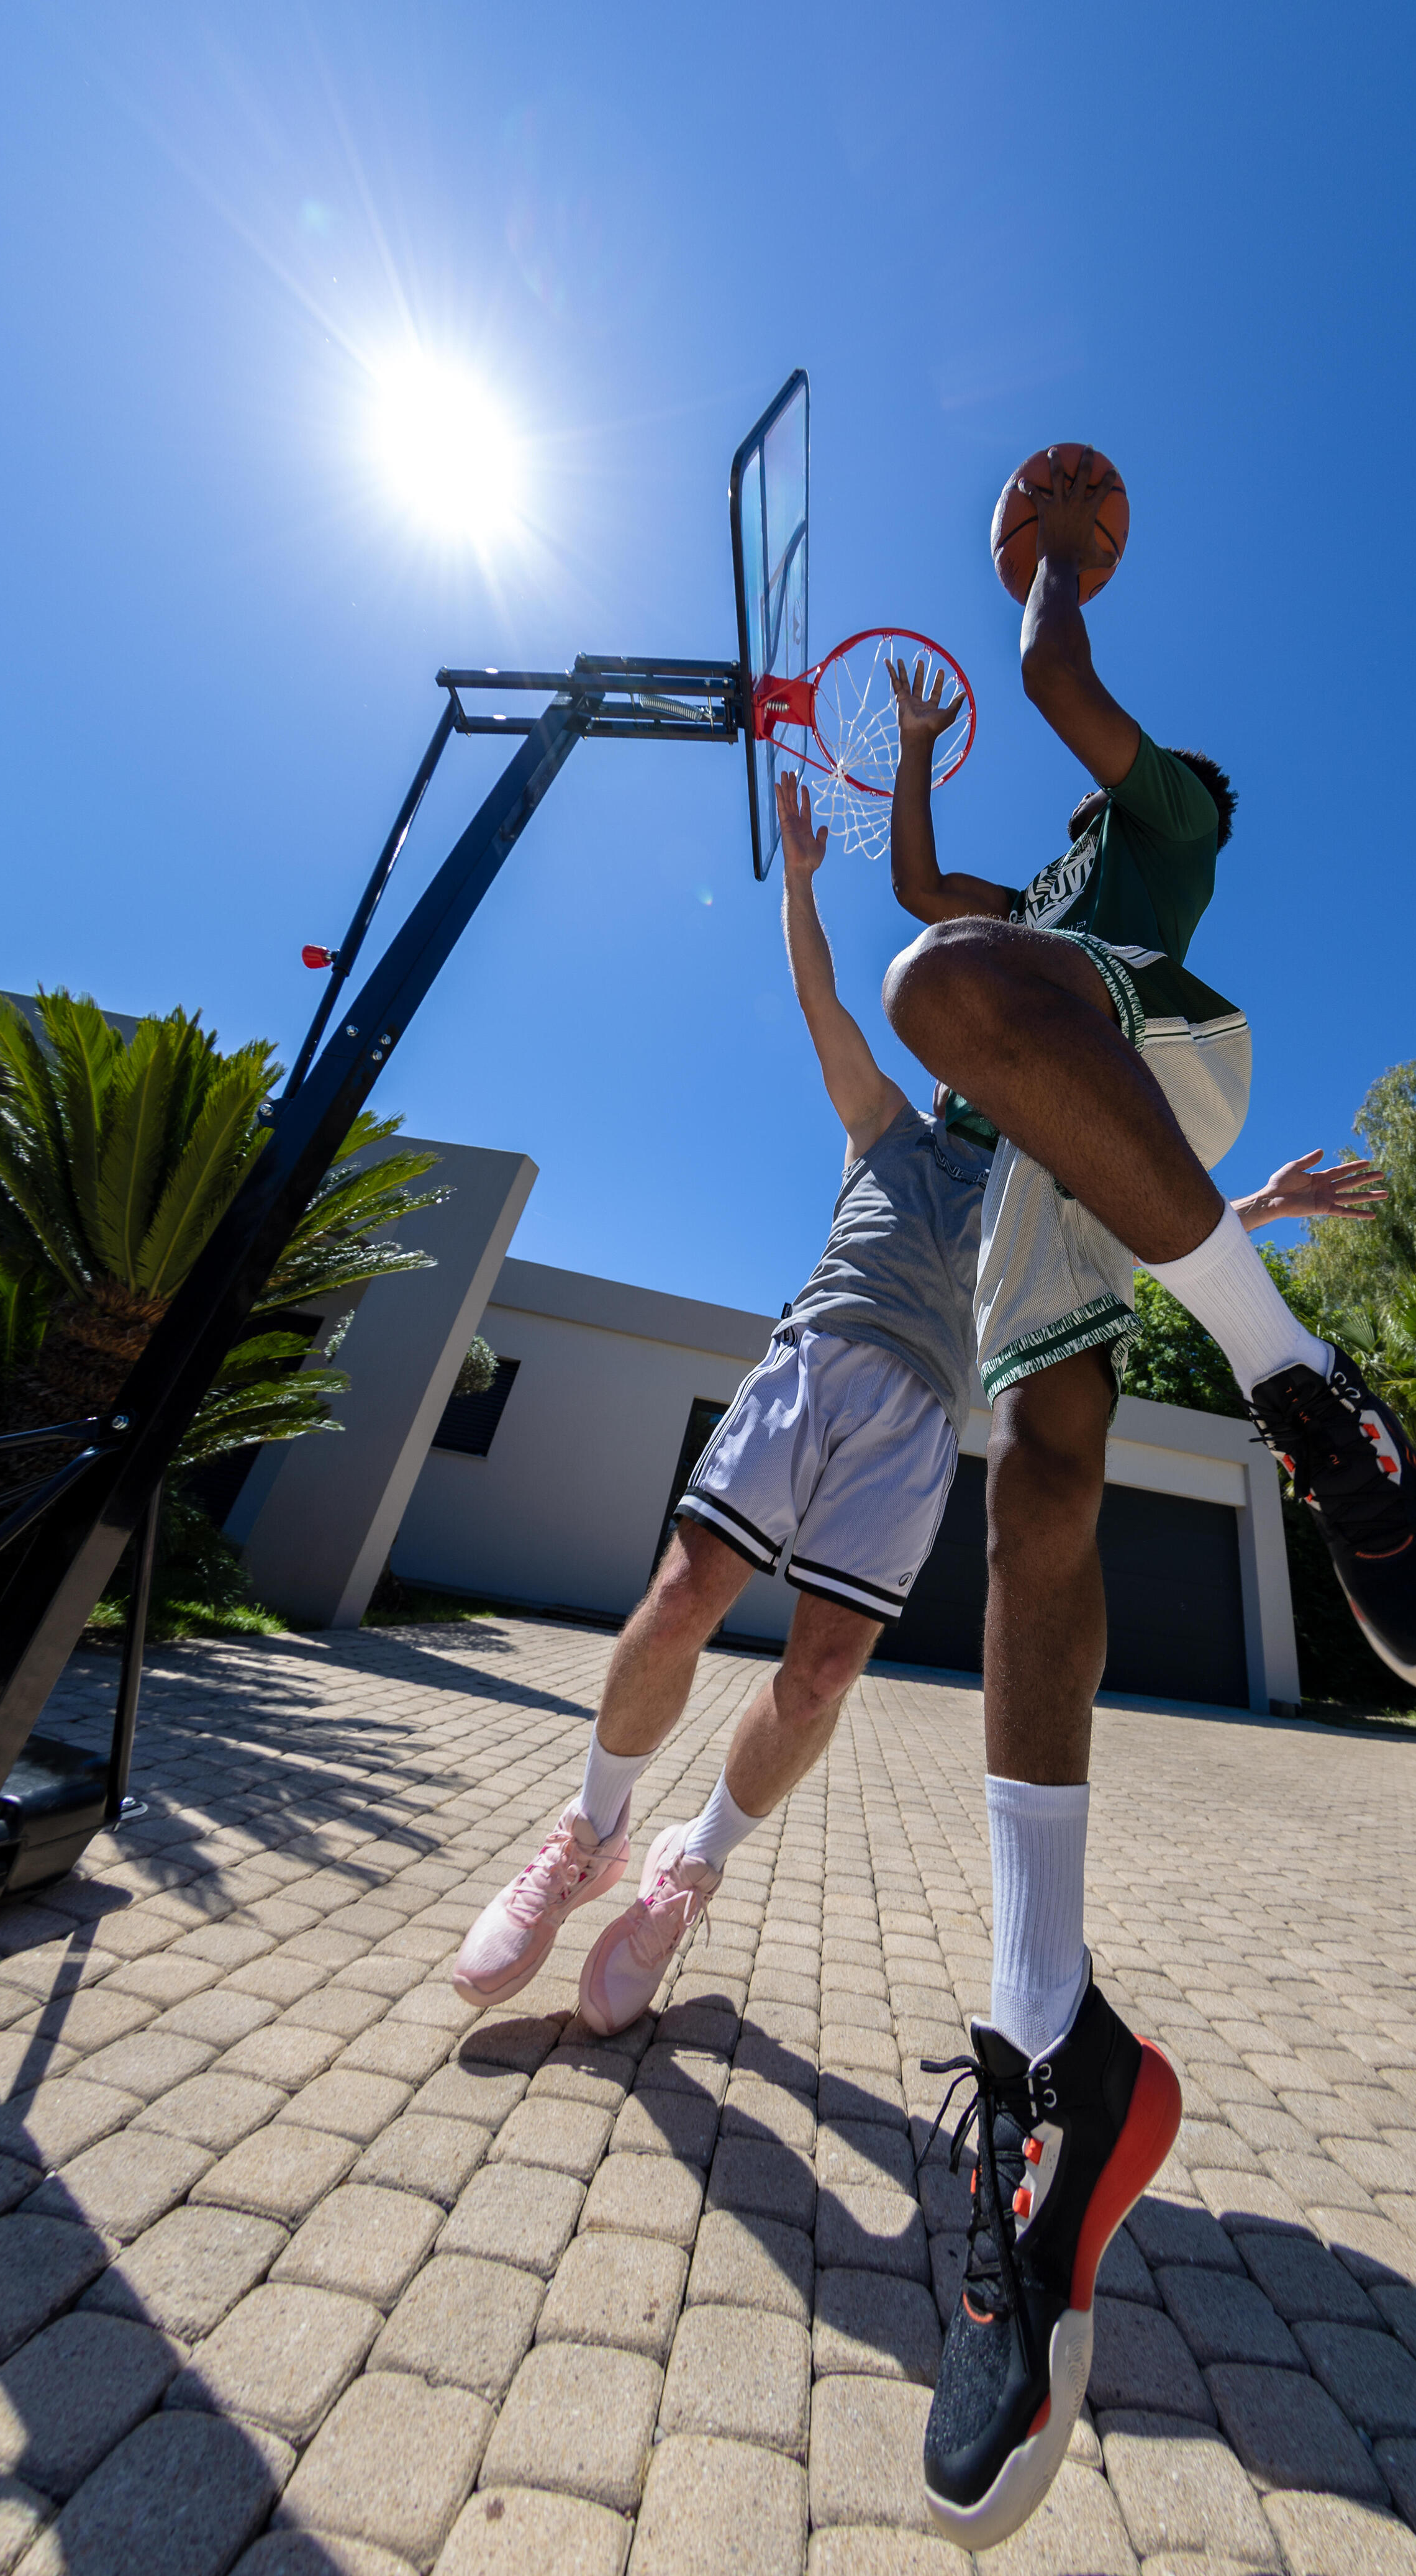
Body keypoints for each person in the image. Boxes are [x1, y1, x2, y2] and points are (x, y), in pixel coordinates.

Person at [884, 455, 1416, 2549]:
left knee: (959, 1001)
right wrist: (901, 758)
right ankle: (1049, 2044)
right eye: (1066, 809)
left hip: (1143, 1053)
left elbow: (1064, 683)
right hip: (1049, 1155)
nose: (1078, 811)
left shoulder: (1168, 829)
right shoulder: (1039, 891)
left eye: (1093, 792)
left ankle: (1293, 1377)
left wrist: (1044, 571)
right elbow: (922, 890)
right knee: (1036, 1513)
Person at [452, 769, 996, 2031]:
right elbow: (821, 1007)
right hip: (811, 1364)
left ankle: (689, 1867)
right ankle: (586, 1836)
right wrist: (803, 886)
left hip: (920, 1423)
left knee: (820, 1676)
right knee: (686, 1594)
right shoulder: (889, 1126)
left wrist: (1260, 1214)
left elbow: (1142, 1225)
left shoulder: (1032, 1200)